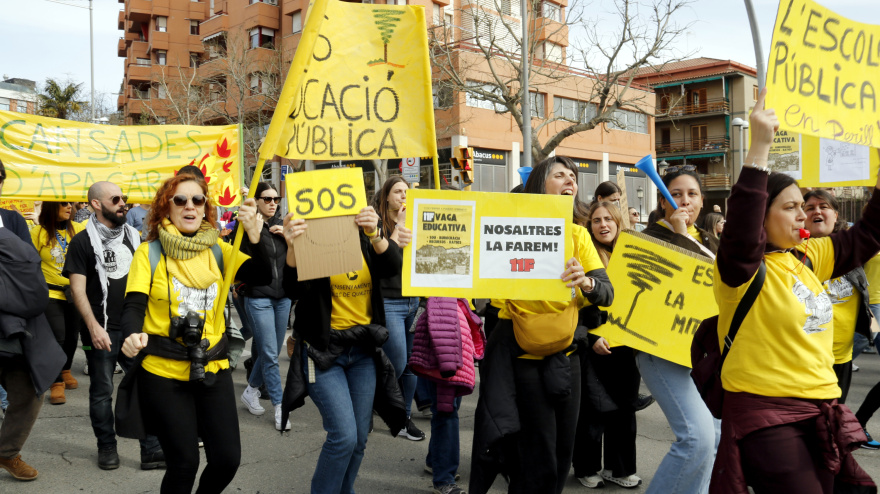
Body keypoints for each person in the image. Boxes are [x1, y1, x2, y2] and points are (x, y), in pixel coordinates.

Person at [710, 89, 877, 493]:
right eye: (790, 207)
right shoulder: (741, 270)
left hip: (822, 405)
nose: (804, 214)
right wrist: (760, 146)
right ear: (761, 218)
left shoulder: (806, 257)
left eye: (802, 205)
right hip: (765, 412)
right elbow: (742, 229)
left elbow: (868, 235)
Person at [120, 173, 271, 493]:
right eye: (180, 200)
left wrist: (257, 237)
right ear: (166, 208)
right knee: (184, 463)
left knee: (227, 460)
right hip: (162, 371)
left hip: (212, 368)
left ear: (205, 208)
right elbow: (133, 306)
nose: (189, 206)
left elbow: (261, 274)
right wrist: (132, 335)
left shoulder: (219, 250)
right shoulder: (149, 253)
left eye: (197, 200)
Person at [470, 156, 613, 494]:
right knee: (535, 456)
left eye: (573, 177)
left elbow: (606, 294)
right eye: (560, 175)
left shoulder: (579, 235)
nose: (571, 181)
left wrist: (587, 284)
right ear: (538, 185)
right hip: (519, 355)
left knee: (562, 454)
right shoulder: (505, 226)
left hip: (567, 358)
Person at [280, 204, 410, 494]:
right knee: (343, 437)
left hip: (362, 353)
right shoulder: (313, 242)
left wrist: (375, 232)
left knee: (359, 438)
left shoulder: (365, 239)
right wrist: (292, 248)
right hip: (323, 354)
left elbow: (392, 266)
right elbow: (293, 290)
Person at [63, 181, 164, 471]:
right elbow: (78, 290)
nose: (123, 203)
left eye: (125, 198)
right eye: (116, 199)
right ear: (96, 204)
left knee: (147, 388)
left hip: (135, 327)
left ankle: (151, 449)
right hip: (101, 330)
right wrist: (93, 327)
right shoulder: (82, 242)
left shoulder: (135, 236)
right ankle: (107, 447)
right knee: (102, 391)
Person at [639, 164, 719, 494]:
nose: (685, 201)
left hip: (702, 354)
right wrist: (679, 234)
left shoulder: (712, 240)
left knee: (713, 438)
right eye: (676, 194)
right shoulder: (649, 237)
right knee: (697, 439)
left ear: (702, 201)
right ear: (663, 200)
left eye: (692, 194)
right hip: (662, 351)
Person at [0, 159, 67, 481]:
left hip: (11, 327)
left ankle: (6, 452)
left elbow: (29, 266)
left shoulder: (11, 221)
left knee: (29, 392)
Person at [572, 202, 642, 489]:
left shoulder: (633, 254)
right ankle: (586, 467)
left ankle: (621, 468)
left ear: (618, 222)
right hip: (594, 343)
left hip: (627, 344)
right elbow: (576, 306)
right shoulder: (585, 256)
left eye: (608, 219)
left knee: (624, 410)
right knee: (592, 410)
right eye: (597, 220)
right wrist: (591, 337)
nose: (603, 225)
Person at [802, 189, 873, 403]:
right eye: (810, 208)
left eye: (824, 206)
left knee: (835, 418)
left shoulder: (851, 249)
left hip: (841, 356)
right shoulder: (790, 252)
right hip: (805, 358)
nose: (817, 211)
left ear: (836, 214)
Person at [370, 176, 424, 441]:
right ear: (387, 196)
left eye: (407, 191)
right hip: (389, 301)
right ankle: (372, 404)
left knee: (411, 365)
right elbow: (384, 264)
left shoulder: (419, 222)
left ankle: (404, 418)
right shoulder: (376, 227)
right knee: (397, 362)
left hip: (414, 301)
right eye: (398, 191)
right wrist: (398, 228)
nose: (404, 196)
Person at [238, 182, 294, 431]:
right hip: (258, 297)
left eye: (276, 198)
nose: (273, 202)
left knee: (268, 350)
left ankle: (250, 390)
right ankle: (281, 407)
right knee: (271, 353)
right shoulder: (246, 227)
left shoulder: (284, 226)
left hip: (283, 298)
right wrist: (255, 234)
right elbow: (241, 263)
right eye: (267, 198)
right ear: (257, 201)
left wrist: (290, 241)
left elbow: (295, 264)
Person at [31, 201, 87, 405]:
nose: (69, 207)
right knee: (59, 337)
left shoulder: (80, 229)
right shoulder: (38, 232)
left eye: (70, 204)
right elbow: (31, 263)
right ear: (51, 207)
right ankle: (55, 381)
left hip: (76, 293)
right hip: (50, 293)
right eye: (63, 204)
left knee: (73, 336)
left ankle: (65, 369)